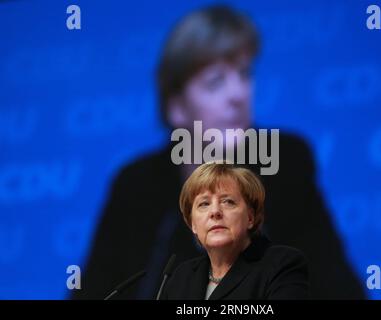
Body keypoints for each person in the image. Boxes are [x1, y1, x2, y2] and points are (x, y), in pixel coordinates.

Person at [72, 5, 365, 300]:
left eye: (244, 74)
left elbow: (338, 289)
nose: (238, 94)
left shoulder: (284, 164)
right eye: (216, 82)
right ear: (176, 107)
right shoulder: (136, 187)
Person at [160, 162, 308, 300]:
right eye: (204, 204)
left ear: (250, 217)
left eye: (228, 202)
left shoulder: (281, 265)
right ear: (193, 224)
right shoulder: (182, 276)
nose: (215, 212)